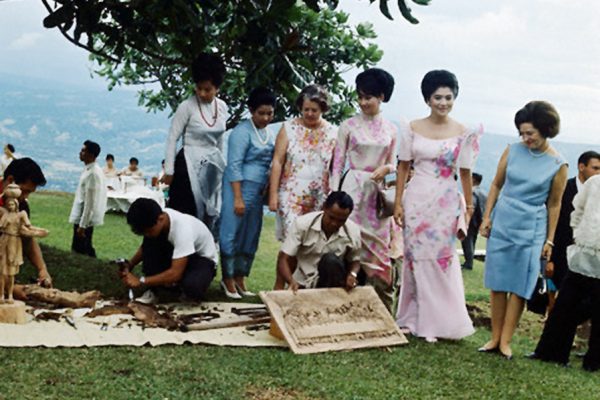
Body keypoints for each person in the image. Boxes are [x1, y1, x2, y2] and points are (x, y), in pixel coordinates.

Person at [394, 70, 481, 343]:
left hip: (445, 200)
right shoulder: (411, 128)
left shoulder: (463, 132)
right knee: (414, 257)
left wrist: (467, 207)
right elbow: (403, 166)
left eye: (448, 97)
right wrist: (397, 202)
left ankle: (440, 322)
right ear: (427, 99)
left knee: (442, 258)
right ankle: (411, 318)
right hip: (416, 196)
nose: (443, 102)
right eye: (437, 97)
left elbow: (465, 172)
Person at [479, 101, 568, 359]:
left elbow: (554, 204)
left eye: (530, 133)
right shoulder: (512, 150)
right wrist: (487, 217)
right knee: (497, 281)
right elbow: (496, 184)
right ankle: (494, 338)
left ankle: (506, 342)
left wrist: (549, 240)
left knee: (519, 284)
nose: (525, 138)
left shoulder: (558, 164)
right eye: (522, 133)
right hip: (504, 219)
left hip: (532, 225)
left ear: (546, 130)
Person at [331, 68, 398, 311]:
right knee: (346, 239)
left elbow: (394, 162)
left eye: (368, 97)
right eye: (359, 96)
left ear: (381, 96)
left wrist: (387, 168)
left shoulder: (391, 129)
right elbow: (337, 164)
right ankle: (340, 300)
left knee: (378, 245)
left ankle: (378, 305)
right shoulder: (348, 125)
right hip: (351, 188)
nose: (362, 102)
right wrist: (333, 194)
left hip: (376, 194)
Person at [528, 174, 600, 371]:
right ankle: (551, 353)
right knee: (564, 306)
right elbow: (578, 209)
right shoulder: (594, 183)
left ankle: (594, 363)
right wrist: (578, 234)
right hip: (584, 255)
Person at [269, 84, 337, 289]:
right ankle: (279, 287)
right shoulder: (288, 128)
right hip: (291, 194)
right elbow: (278, 161)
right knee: (291, 245)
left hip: (320, 196)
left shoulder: (334, 131)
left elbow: (335, 166)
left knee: (312, 246)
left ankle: (302, 288)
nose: (309, 113)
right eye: (305, 109)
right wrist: (272, 195)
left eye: (314, 110)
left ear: (323, 109)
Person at [161, 53, 228, 239]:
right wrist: (169, 170)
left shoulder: (222, 107)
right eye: (199, 88)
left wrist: (222, 166)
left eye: (207, 89)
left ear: (217, 88)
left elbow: (220, 138)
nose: (202, 93)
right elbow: (172, 137)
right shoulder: (187, 106)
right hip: (187, 165)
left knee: (209, 214)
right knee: (185, 215)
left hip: (212, 166)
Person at [219, 88, 276, 299]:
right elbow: (234, 165)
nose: (266, 118)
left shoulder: (269, 133)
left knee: (250, 234)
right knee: (231, 232)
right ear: (251, 110)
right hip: (239, 188)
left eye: (270, 113)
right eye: (261, 113)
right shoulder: (241, 132)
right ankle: (227, 278)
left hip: (258, 191)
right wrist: (237, 197)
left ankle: (241, 276)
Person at [119, 198, 217, 303]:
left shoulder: (182, 230)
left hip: (202, 260)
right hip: (179, 254)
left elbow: (175, 273)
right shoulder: (156, 221)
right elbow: (145, 249)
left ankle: (185, 291)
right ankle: (154, 291)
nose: (147, 235)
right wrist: (130, 265)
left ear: (161, 219)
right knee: (151, 243)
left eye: (148, 231)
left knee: (192, 285)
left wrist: (141, 281)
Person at [545, 151, 600, 311]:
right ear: (581, 167)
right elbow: (552, 221)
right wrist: (549, 257)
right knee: (555, 289)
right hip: (560, 249)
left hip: (587, 256)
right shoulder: (563, 189)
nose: (598, 173)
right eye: (595, 168)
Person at [277, 191, 362, 292]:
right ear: (324, 208)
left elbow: (355, 260)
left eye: (341, 220)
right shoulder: (302, 224)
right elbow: (284, 258)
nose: (334, 223)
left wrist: (352, 274)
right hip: (302, 281)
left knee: (330, 260)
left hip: (332, 283)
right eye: (331, 217)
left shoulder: (353, 231)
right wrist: (291, 281)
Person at [0, 157, 53, 288]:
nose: (25, 197)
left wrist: (42, 269)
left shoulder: (21, 205)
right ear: (11, 180)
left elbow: (26, 238)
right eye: (24, 191)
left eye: (30, 192)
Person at [68, 140, 107, 258]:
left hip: (84, 218)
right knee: (85, 247)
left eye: (83, 151)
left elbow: (90, 202)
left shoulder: (93, 174)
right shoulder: (89, 170)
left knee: (80, 250)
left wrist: (83, 225)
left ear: (91, 154)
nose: (80, 153)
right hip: (82, 217)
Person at [460, 172, 487, 270]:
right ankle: (469, 261)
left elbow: (472, 205)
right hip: (479, 220)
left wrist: (467, 219)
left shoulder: (472, 192)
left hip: (471, 220)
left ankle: (468, 263)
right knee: (473, 240)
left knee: (467, 241)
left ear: (474, 180)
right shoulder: (483, 192)